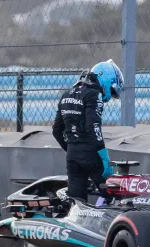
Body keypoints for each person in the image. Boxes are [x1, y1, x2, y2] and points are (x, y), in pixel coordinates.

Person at [52, 59, 124, 202]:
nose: (110, 96)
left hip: (72, 157)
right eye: (112, 90)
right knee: (116, 197)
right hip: (91, 155)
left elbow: (56, 130)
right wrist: (104, 158)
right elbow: (93, 127)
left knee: (76, 204)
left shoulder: (67, 94)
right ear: (106, 80)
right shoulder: (93, 94)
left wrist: (72, 149)